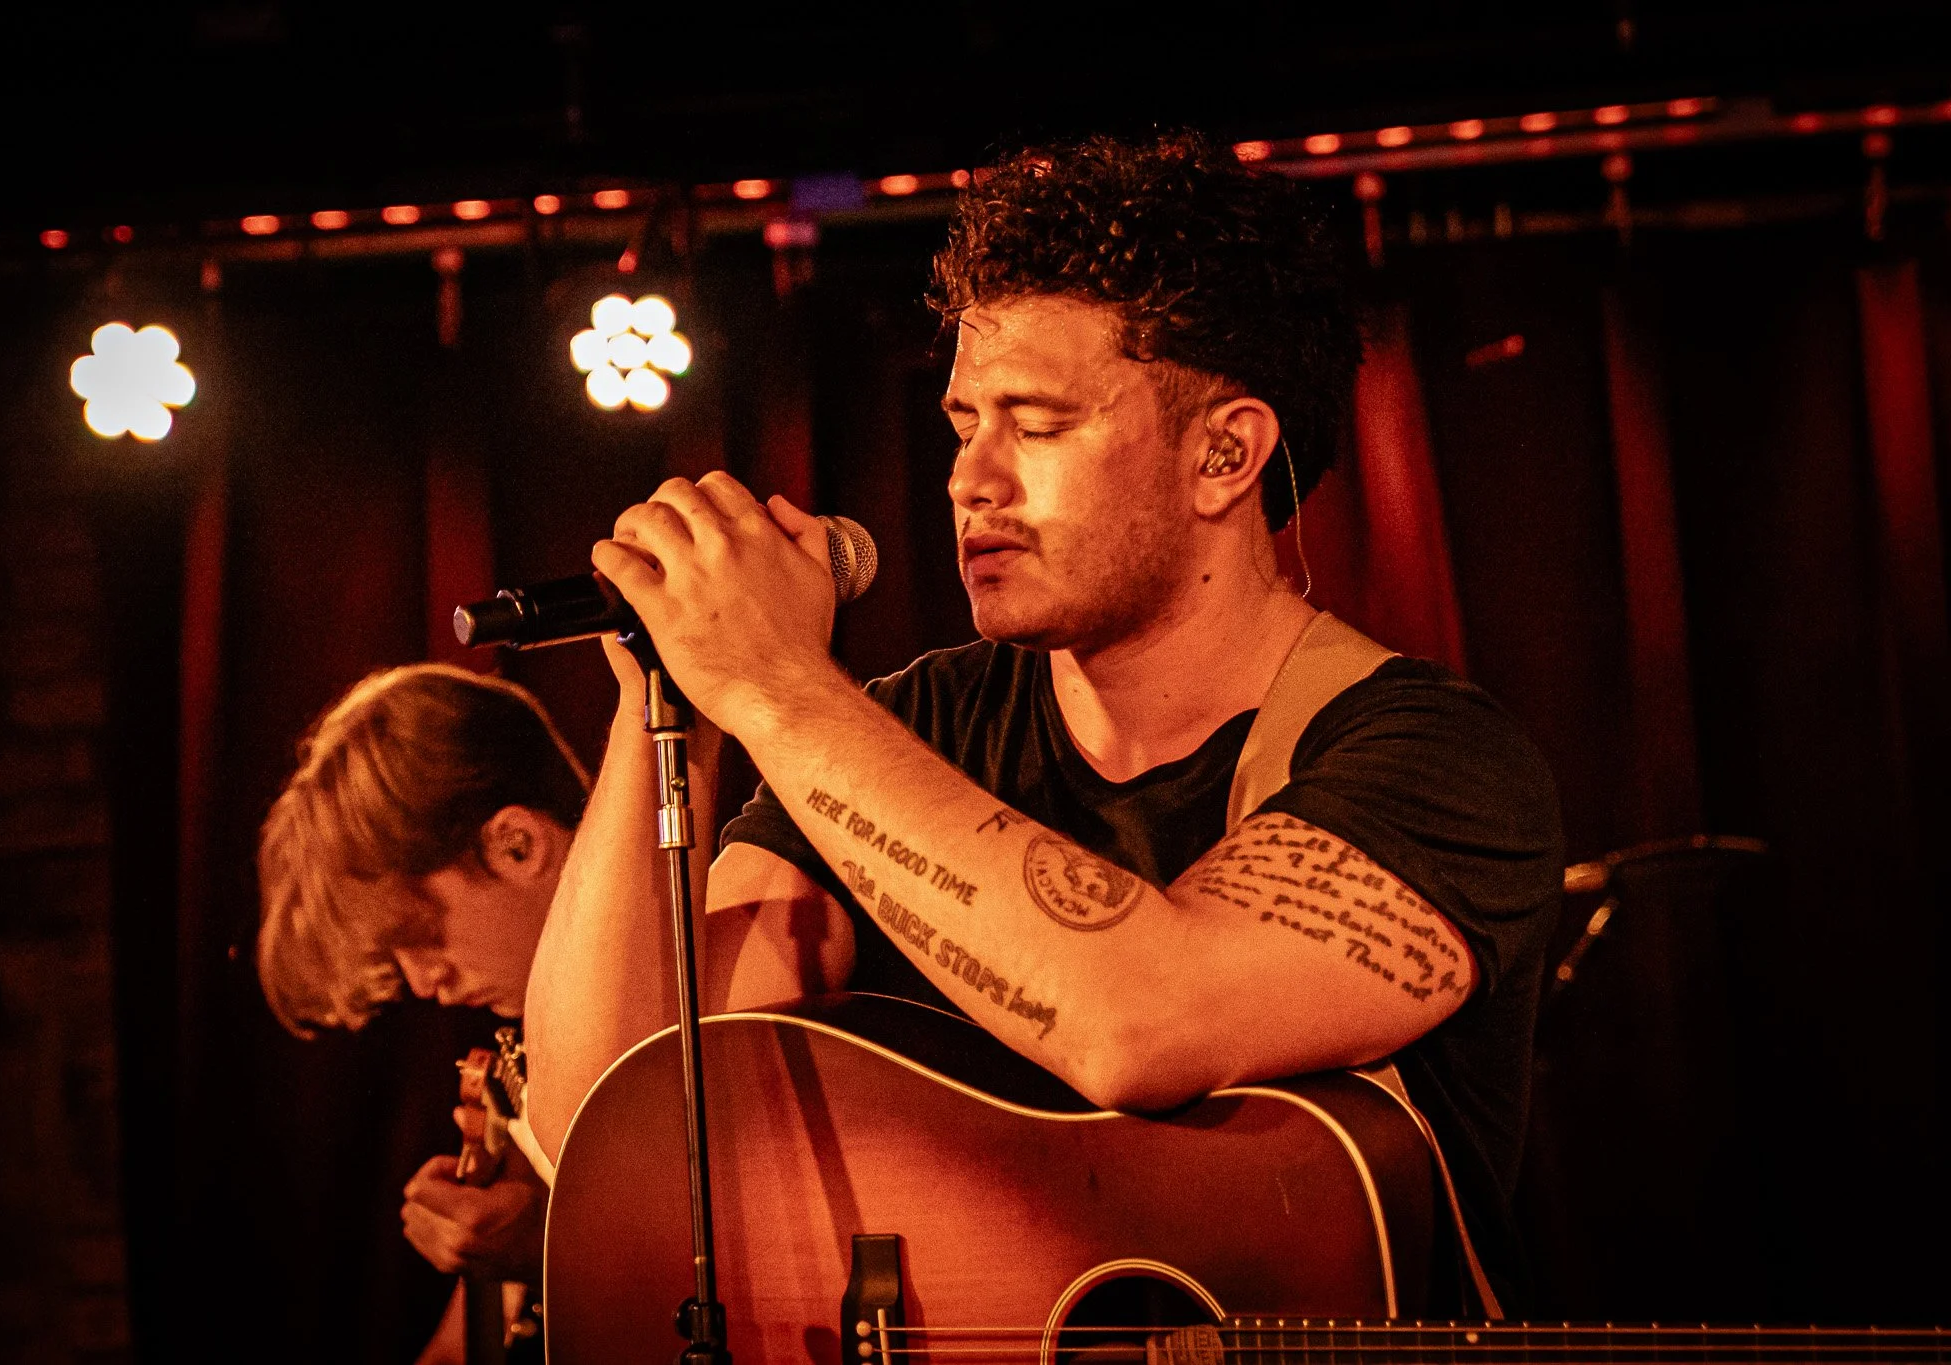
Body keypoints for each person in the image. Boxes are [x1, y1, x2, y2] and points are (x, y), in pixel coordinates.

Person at [523, 132, 1562, 1312]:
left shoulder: (1431, 761)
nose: (969, 478)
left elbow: (1139, 1022)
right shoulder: (906, 729)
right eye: (965, 422)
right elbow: (601, 1117)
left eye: (1036, 422)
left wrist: (772, 685)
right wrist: (663, 697)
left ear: (1224, 454)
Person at [257, 662, 586, 1361]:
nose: (423, 981)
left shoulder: (724, 979)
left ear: (517, 845)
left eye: (424, 935)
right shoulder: (536, 1066)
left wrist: (555, 1245)